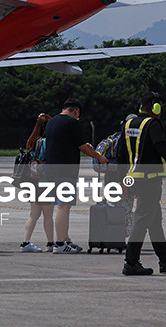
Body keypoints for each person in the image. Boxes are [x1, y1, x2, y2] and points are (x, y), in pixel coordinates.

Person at [122, 92, 166, 276]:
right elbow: (162, 148)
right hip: (149, 180)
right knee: (142, 219)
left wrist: (123, 180)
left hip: (133, 177)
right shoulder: (152, 124)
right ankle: (131, 262)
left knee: (154, 221)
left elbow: (121, 154)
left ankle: (165, 260)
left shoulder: (129, 124)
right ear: (155, 107)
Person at [42, 98, 105, 254]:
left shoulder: (52, 122)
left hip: (50, 170)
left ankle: (64, 240)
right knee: (63, 207)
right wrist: (99, 157)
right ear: (76, 111)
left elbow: (64, 143)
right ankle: (60, 244)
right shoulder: (72, 123)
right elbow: (83, 147)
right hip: (65, 170)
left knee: (60, 206)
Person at [19, 113, 54, 252]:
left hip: (32, 180)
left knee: (33, 215)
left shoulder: (31, 140)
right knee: (48, 216)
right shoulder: (47, 142)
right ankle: (50, 243)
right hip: (45, 182)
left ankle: (25, 242)